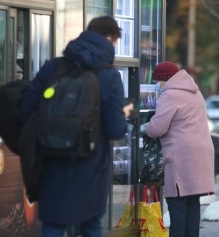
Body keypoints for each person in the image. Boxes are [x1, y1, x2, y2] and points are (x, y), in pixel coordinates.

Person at [19, 16, 133, 236]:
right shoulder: (109, 76)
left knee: (53, 223)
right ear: (110, 39)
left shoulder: (53, 67)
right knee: (90, 224)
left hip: (52, 161)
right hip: (92, 164)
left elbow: (26, 112)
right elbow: (115, 129)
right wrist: (123, 113)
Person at [142, 61, 215, 237]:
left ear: (163, 80)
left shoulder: (170, 95)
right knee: (192, 203)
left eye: (157, 82)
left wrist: (144, 128)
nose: (157, 87)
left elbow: (157, 128)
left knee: (177, 204)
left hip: (181, 154)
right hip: (201, 152)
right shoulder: (195, 92)